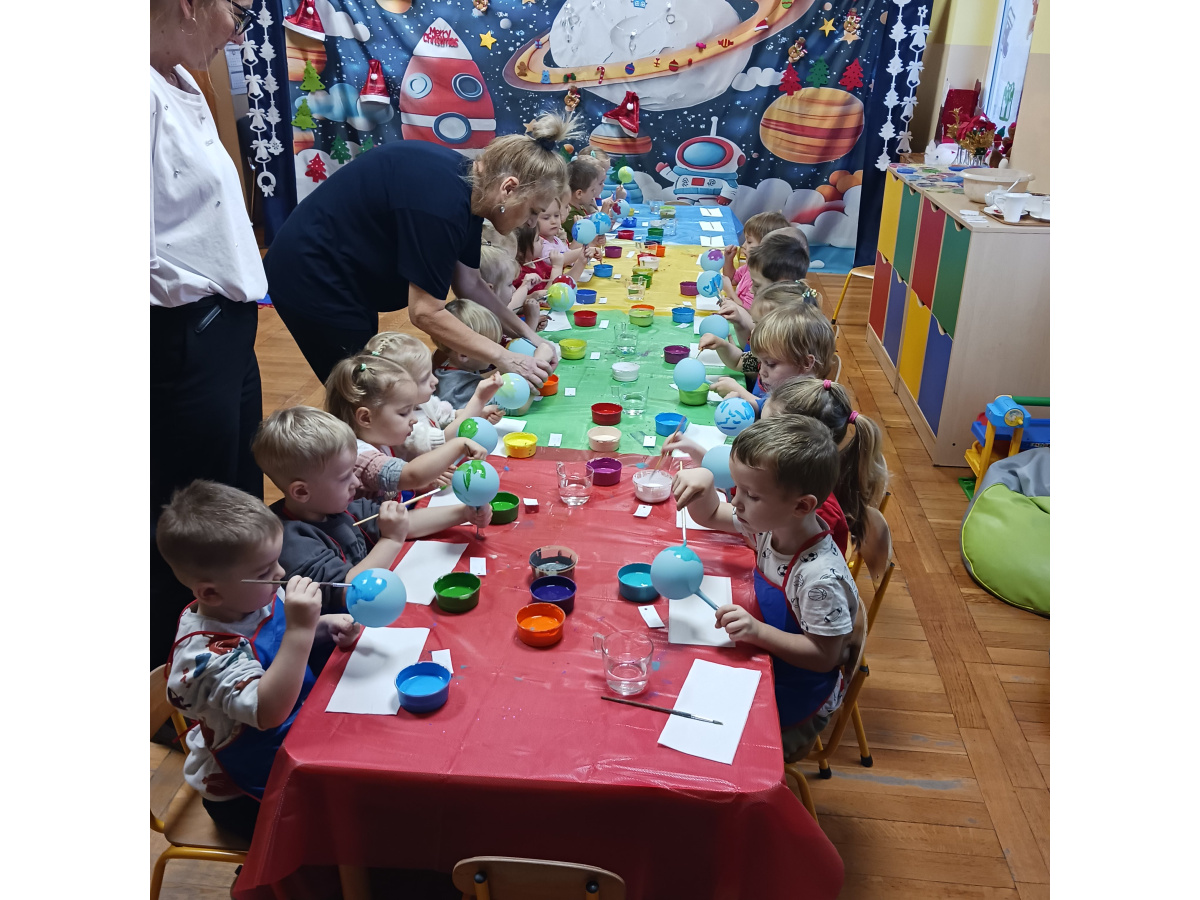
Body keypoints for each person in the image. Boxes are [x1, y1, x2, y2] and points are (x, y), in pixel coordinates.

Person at [264, 114, 582, 387]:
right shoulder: (442, 205)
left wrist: (531, 338)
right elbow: (425, 312)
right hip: (310, 273)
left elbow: (470, 284)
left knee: (371, 388)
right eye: (533, 211)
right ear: (509, 189)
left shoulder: (473, 189)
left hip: (342, 273)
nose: (531, 223)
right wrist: (506, 358)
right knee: (361, 390)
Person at [150, 0, 266, 666]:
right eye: (238, 14)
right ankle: (189, 670)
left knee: (237, 495)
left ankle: (251, 642)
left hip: (225, 325)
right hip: (180, 334)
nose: (237, 34)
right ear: (193, 5)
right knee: (194, 517)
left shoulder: (181, 78)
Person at [160, 480, 363, 839]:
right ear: (211, 593)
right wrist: (300, 630)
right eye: (265, 571)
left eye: (277, 562)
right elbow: (267, 711)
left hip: (298, 736)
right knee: (353, 817)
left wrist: (322, 627)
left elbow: (278, 642)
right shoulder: (206, 657)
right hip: (247, 794)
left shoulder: (249, 598)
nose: (281, 574)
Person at [671, 416, 862, 760]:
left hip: (797, 695)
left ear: (801, 505)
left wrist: (757, 631)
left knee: (713, 753)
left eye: (752, 495)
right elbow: (710, 514)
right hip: (770, 660)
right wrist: (704, 482)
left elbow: (824, 657)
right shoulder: (771, 524)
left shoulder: (820, 579)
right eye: (737, 489)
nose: (736, 501)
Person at [251, 407, 491, 608]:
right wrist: (391, 540)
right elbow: (351, 591)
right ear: (302, 492)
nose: (356, 483)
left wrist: (463, 513)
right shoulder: (292, 542)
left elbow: (403, 522)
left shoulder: (335, 506)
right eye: (344, 478)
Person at [324, 352, 489, 499]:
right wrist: (458, 445)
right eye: (403, 413)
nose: (414, 419)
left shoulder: (381, 439)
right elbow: (410, 475)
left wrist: (422, 484)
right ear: (366, 418)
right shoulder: (358, 455)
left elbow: (396, 486)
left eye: (413, 410)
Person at [763, 377, 889, 558]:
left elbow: (777, 555)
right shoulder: (797, 480)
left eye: (766, 435)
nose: (757, 439)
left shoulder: (818, 510)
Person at [363, 331, 504, 458]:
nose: (435, 380)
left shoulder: (425, 402)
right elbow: (444, 440)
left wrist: (479, 412)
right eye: (425, 378)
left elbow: (448, 416)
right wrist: (478, 400)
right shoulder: (402, 424)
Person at [711, 303, 836, 412]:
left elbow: (769, 415)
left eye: (770, 364)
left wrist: (741, 394)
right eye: (760, 362)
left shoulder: (805, 407)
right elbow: (762, 405)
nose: (761, 372)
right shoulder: (783, 390)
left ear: (805, 363)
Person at [702, 281, 822, 386]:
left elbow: (774, 405)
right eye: (755, 323)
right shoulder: (767, 357)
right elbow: (738, 361)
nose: (753, 331)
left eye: (762, 325)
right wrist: (721, 345)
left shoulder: (798, 385)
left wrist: (743, 394)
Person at [432, 300, 507, 409]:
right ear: (464, 355)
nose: (497, 349)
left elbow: (479, 377)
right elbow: (510, 407)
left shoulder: (450, 369)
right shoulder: (463, 389)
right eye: (491, 346)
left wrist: (504, 369)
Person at [722, 212, 791, 309]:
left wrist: (730, 292)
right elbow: (732, 279)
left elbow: (747, 313)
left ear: (767, 247)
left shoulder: (763, 280)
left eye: (749, 242)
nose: (743, 246)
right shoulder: (750, 267)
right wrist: (728, 260)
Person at [480, 244, 542, 328]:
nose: (514, 289)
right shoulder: (486, 322)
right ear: (489, 289)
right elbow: (522, 338)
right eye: (509, 285)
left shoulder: (492, 312)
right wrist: (532, 321)